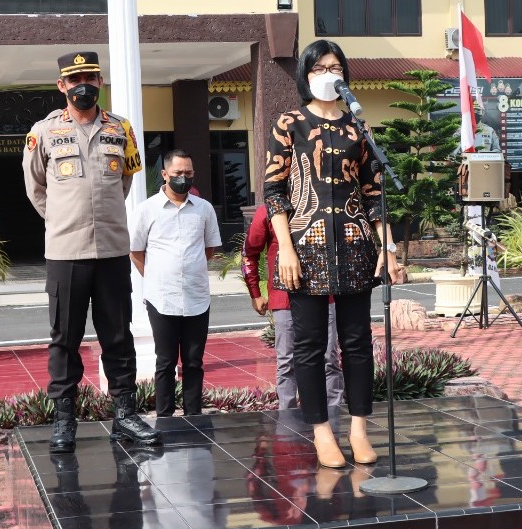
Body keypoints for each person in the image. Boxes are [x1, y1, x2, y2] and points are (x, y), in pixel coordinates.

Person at [263, 39, 406, 469]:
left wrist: (388, 247)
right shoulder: (289, 123)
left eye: (336, 67)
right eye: (320, 68)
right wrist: (285, 249)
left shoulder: (357, 126)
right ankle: (322, 433)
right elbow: (273, 191)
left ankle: (359, 430)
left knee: (357, 341)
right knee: (309, 345)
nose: (329, 74)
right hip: (305, 246)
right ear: (306, 75)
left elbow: (373, 192)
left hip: (354, 243)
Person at [22, 50, 159, 453]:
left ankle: (125, 415)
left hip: (112, 249)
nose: (83, 85)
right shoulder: (43, 132)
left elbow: (125, 182)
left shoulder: (121, 128)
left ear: (100, 81)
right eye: (74, 79)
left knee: (118, 335)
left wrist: (102, 217)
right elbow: (35, 188)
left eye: (90, 78)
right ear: (61, 85)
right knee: (64, 338)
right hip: (66, 251)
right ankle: (64, 420)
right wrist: (64, 219)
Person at [129, 149, 221, 417]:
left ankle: (193, 416)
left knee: (194, 361)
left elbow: (208, 249)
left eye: (188, 173)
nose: (183, 177)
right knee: (165, 361)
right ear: (165, 174)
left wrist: (188, 269)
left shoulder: (204, 209)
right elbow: (136, 251)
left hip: (196, 298)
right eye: (178, 173)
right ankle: (165, 418)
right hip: (161, 298)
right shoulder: (146, 209)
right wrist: (158, 276)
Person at [242, 204, 345, 410]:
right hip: (285, 299)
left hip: (325, 295)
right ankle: (287, 417)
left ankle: (334, 413)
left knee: (329, 359)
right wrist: (255, 292)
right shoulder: (268, 209)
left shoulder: (323, 203)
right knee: (287, 362)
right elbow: (249, 252)